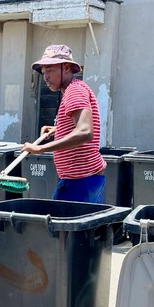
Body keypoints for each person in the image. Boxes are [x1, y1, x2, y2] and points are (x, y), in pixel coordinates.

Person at [21, 44, 106, 203]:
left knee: (61, 226)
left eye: (50, 70)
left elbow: (85, 132)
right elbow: (79, 125)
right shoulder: (75, 89)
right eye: (44, 72)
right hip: (86, 178)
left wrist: (40, 148)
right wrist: (58, 129)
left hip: (79, 181)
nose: (45, 77)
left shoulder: (74, 91)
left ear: (66, 67)